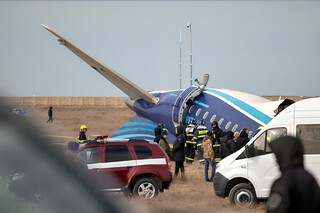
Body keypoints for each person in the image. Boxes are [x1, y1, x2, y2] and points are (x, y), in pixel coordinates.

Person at [267, 136, 320, 213]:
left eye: (278, 156)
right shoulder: (310, 178)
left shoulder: (283, 182)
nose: (276, 161)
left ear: (284, 155)